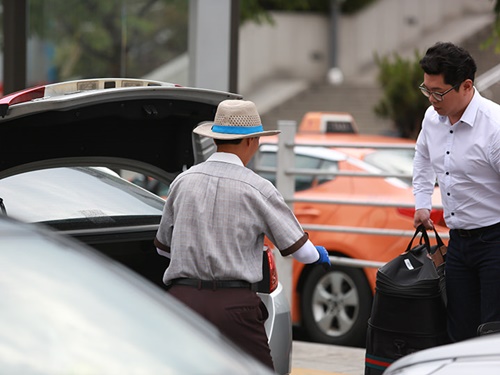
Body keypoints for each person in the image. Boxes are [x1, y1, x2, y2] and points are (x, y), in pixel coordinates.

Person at [154, 99, 331, 370]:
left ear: (215, 140)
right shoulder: (258, 188)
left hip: (182, 302)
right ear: (251, 142)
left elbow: (162, 248)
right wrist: (317, 255)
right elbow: (302, 252)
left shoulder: (182, 182)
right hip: (234, 308)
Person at [413, 41, 500, 342]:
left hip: (495, 242)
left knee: (493, 334)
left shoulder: (494, 126)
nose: (432, 99)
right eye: (427, 90)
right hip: (459, 243)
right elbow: (422, 156)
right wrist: (422, 203)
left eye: (439, 92)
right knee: (459, 333)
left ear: (466, 86)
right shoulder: (431, 120)